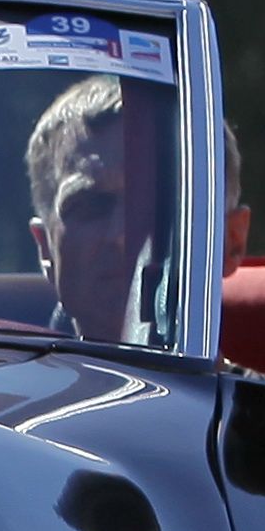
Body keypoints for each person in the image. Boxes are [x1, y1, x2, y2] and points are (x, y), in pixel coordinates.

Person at [24, 76, 173, 351]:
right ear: (45, 247)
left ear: (231, 240)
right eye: (91, 207)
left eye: (156, 207)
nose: (122, 237)